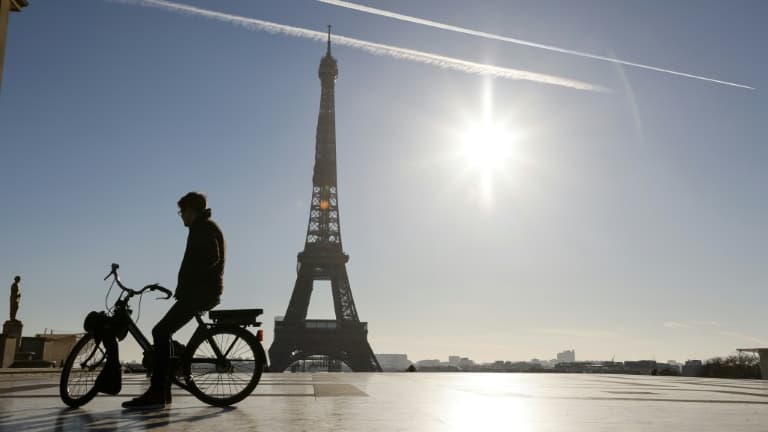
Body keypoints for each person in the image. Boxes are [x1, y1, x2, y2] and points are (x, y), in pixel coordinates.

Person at [123, 192, 226, 409]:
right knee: (163, 331)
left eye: (182, 212)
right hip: (199, 292)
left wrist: (192, 281)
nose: (181, 216)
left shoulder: (203, 228)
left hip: (199, 293)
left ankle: (158, 390)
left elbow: (211, 257)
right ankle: (164, 387)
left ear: (191, 210)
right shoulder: (204, 227)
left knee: (160, 331)